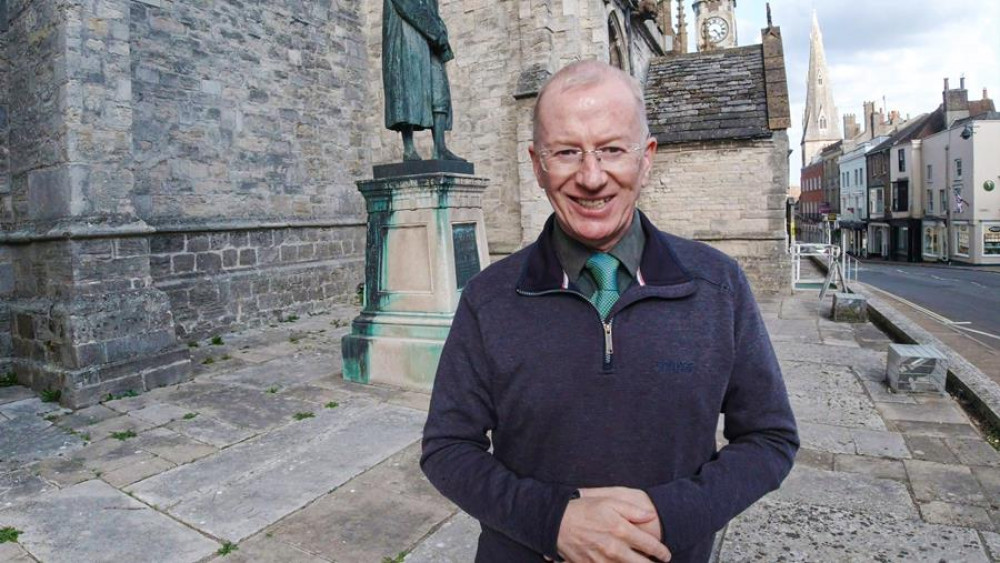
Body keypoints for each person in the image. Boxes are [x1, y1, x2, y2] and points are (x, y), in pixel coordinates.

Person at [421, 60, 798, 563]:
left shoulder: (717, 285)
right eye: (566, 153)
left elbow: (770, 438)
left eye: (612, 150)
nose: (591, 177)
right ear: (537, 165)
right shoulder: (488, 298)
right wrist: (553, 521)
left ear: (646, 159)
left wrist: (669, 516)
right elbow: (447, 449)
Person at [381, 0, 464, 161]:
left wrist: (441, 33)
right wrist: (436, 33)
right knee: (407, 91)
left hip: (431, 41)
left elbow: (433, 12)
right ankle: (409, 149)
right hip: (407, 35)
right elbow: (407, 5)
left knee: (439, 91)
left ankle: (440, 148)